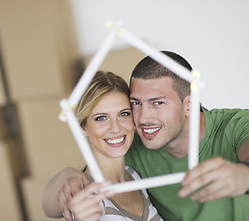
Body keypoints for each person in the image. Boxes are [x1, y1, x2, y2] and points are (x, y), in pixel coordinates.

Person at [42, 51, 249, 221]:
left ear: (188, 104)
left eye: (157, 103)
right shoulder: (132, 144)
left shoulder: (234, 125)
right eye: (135, 104)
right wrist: (66, 176)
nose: (143, 118)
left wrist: (243, 175)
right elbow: (53, 206)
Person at [49, 70, 163, 220]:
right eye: (101, 118)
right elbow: (50, 207)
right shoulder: (86, 196)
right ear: (83, 127)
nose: (115, 128)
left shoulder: (135, 176)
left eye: (123, 114)